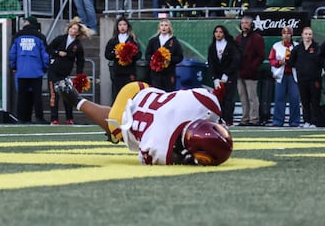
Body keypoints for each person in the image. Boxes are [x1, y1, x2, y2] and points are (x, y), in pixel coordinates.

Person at [55, 80, 233, 166]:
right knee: (115, 129)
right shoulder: (160, 145)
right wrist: (184, 158)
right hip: (133, 106)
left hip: (142, 88)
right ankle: (76, 100)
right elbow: (146, 154)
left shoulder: (208, 102)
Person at [47, 17, 88, 125]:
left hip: (65, 73)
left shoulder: (78, 45)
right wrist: (57, 53)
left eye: (75, 29)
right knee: (53, 95)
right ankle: (54, 119)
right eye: (71, 28)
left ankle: (69, 118)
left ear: (78, 32)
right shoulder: (60, 38)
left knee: (67, 96)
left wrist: (80, 75)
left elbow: (80, 61)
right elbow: (49, 48)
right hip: (54, 71)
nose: (72, 30)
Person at [9, 16, 49, 123]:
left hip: (21, 71)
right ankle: (39, 118)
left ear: (29, 23)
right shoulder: (40, 37)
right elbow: (45, 55)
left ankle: (21, 118)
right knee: (37, 96)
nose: (24, 22)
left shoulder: (17, 36)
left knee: (22, 96)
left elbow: (12, 53)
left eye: (25, 21)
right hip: (36, 71)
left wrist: (14, 67)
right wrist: (45, 68)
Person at [289, 26, 324, 128]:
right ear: (302, 35)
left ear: (312, 36)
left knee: (315, 101)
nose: (308, 36)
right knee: (305, 101)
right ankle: (306, 121)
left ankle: (314, 121)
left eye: (310, 34)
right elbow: (291, 62)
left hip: (315, 79)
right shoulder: (297, 49)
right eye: (306, 34)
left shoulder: (317, 48)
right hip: (302, 79)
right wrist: (299, 67)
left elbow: (322, 62)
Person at [235, 15, 266, 126]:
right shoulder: (238, 38)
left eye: (247, 23)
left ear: (252, 25)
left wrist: (252, 66)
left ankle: (254, 119)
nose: (244, 25)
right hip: (240, 72)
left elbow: (261, 55)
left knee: (252, 97)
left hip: (251, 73)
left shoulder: (257, 38)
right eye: (243, 23)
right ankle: (245, 118)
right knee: (243, 98)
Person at [206, 25, 240, 126]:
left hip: (229, 76)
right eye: (216, 32)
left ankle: (228, 120)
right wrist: (215, 78)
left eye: (220, 32)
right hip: (218, 77)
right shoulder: (212, 47)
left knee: (228, 98)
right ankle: (220, 119)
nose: (218, 34)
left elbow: (235, 60)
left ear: (224, 33)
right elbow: (211, 63)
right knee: (219, 99)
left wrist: (227, 73)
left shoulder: (231, 45)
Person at [268, 26, 301, 127]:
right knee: (279, 98)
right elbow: (271, 60)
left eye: (288, 33)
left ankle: (295, 121)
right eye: (284, 33)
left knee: (295, 98)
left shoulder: (297, 46)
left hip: (293, 75)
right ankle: (278, 121)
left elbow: (300, 60)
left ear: (291, 35)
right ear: (282, 35)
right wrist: (279, 62)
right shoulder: (276, 46)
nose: (286, 35)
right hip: (280, 75)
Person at [104, 17, 142, 98]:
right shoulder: (113, 41)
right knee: (117, 95)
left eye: (124, 24)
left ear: (127, 26)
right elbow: (107, 55)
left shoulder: (133, 40)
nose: (122, 27)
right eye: (120, 25)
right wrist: (115, 53)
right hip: (118, 72)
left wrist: (131, 54)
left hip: (130, 72)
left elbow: (139, 55)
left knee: (130, 95)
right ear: (117, 27)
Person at [144, 19, 184, 91]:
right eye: (162, 25)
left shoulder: (174, 41)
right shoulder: (153, 41)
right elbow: (147, 55)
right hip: (156, 74)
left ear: (169, 27)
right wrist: (154, 58)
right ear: (159, 27)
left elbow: (180, 57)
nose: (164, 27)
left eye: (166, 25)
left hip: (169, 74)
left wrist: (169, 59)